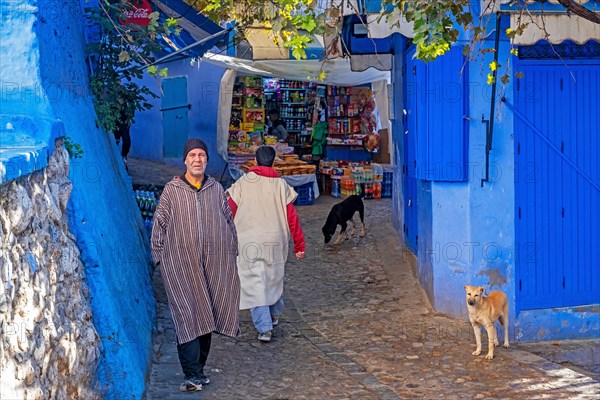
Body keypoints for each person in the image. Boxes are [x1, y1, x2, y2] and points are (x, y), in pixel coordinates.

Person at [151, 138, 240, 392]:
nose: (197, 159)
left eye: (202, 155)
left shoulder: (215, 189)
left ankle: (199, 369)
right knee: (186, 315)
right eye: (193, 155)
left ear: (207, 160)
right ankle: (191, 373)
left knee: (206, 314)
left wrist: (231, 248)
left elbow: (228, 221)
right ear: (185, 160)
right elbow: (160, 225)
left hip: (212, 265)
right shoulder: (172, 190)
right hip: (180, 266)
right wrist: (158, 257)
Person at [226, 146, 305, 343]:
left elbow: (229, 211)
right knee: (273, 277)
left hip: (249, 241)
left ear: (255, 160)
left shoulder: (244, 182)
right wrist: (299, 244)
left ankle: (264, 327)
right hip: (275, 241)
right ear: (274, 161)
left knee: (255, 283)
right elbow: (292, 218)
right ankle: (274, 314)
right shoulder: (281, 185)